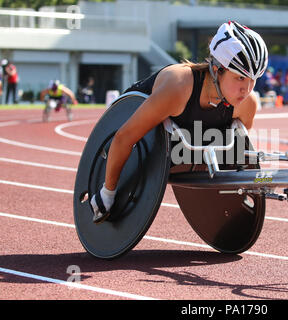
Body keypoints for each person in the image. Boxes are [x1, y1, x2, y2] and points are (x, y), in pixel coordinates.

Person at [90, 21, 268, 224]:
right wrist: (108, 193)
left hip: (184, 141)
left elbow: (237, 151)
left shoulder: (246, 104)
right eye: (240, 79)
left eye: (253, 80)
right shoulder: (179, 87)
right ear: (217, 70)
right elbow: (124, 137)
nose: (247, 89)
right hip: (138, 131)